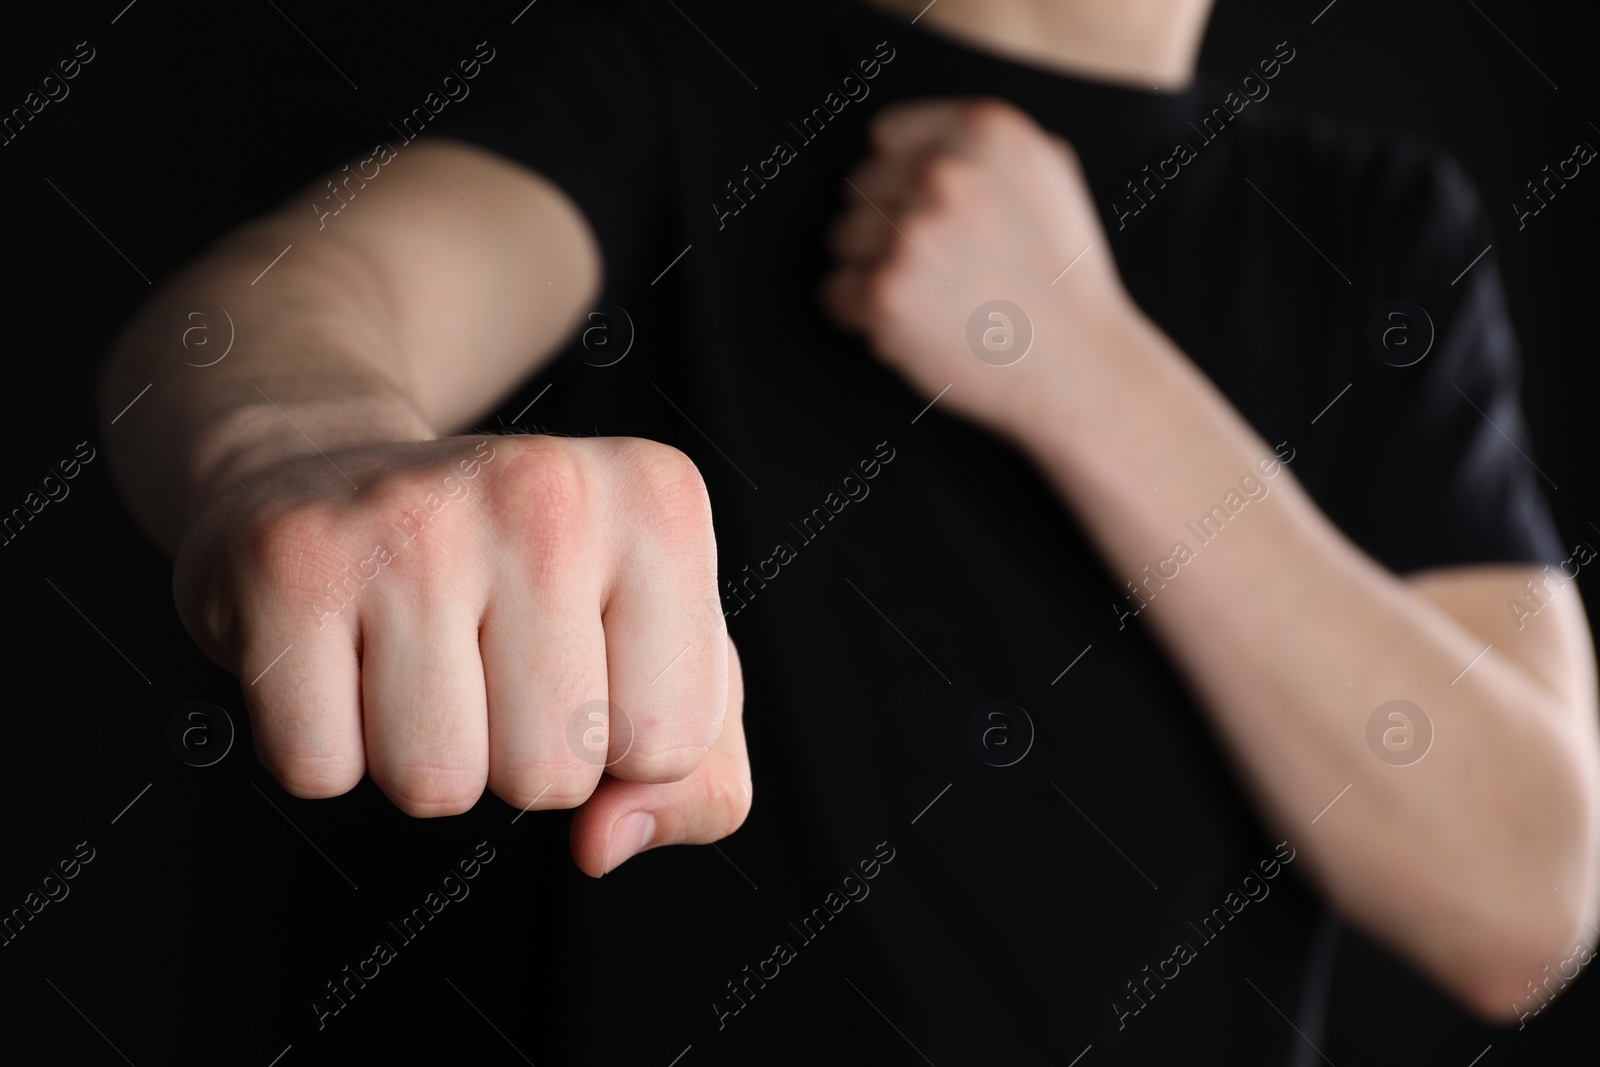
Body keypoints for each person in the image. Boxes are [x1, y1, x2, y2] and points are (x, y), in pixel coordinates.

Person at [97, 0, 1599, 1060]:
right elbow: (259, 328)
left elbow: (1524, 900)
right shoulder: (672, 81)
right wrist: (305, 449)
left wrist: (1083, 364)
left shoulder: (1378, 227)